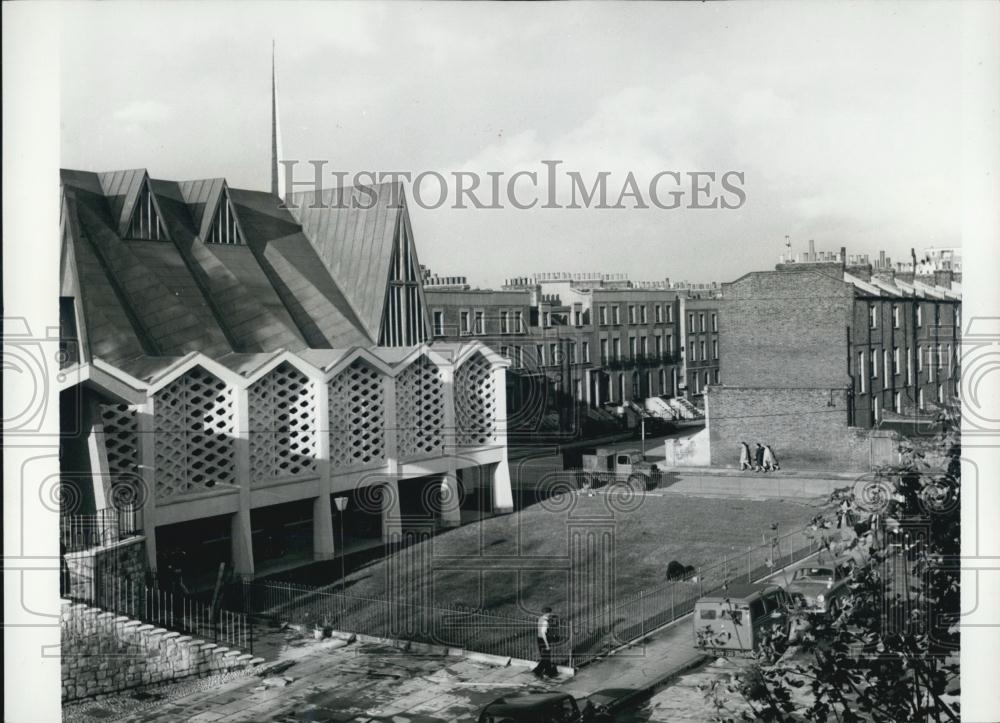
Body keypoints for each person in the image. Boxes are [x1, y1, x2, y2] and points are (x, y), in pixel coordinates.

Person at [534, 606, 558, 679]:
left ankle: (547, 671)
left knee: (546, 657)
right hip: (544, 640)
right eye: (550, 613)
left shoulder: (540, 619)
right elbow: (544, 634)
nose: (551, 615)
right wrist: (547, 645)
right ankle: (538, 670)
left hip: (539, 639)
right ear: (548, 613)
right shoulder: (545, 622)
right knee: (546, 657)